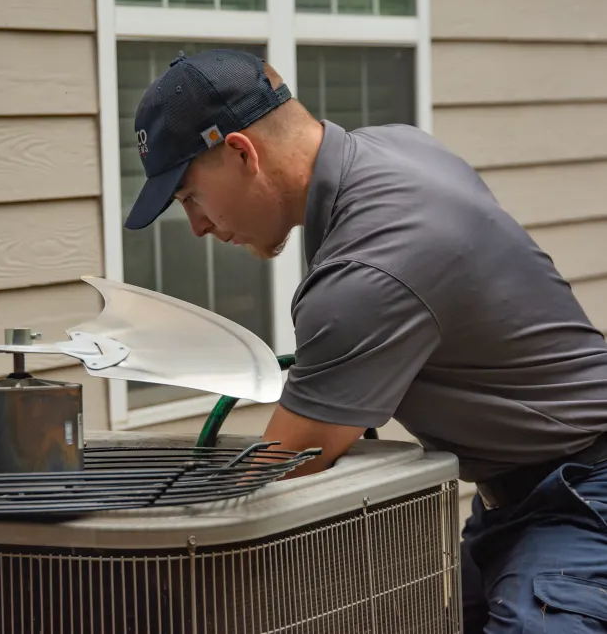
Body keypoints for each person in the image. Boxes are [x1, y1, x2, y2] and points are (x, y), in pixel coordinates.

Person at [122, 48, 607, 632]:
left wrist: (149, 527)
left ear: (242, 152)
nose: (197, 226)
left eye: (190, 197)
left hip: (580, 501)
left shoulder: (366, 272)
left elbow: (285, 466)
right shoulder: (399, 148)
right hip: (524, 495)